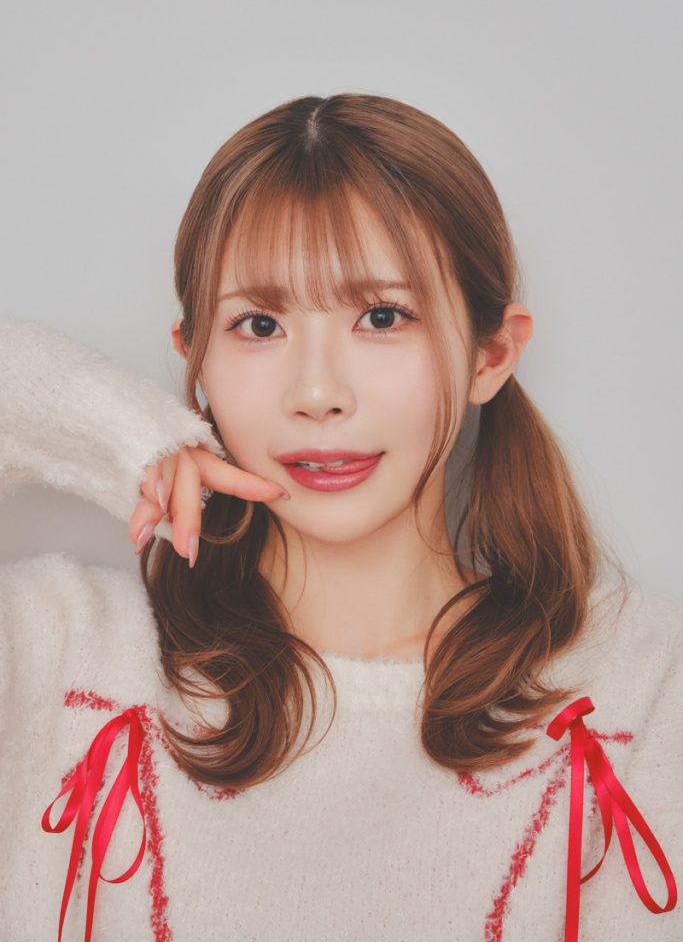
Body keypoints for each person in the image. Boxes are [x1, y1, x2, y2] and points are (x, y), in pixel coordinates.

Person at [0, 92, 680, 942]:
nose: (317, 393)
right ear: (196, 359)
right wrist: (122, 432)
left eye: (381, 317)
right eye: (258, 324)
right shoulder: (60, 650)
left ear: (489, 354)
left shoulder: (638, 682)